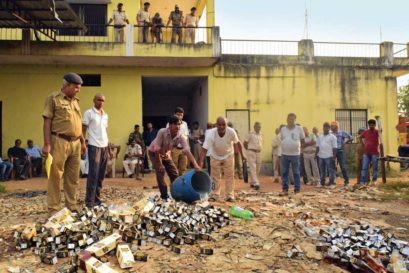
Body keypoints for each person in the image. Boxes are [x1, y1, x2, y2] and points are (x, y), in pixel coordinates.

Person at [42, 73, 86, 215]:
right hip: (59, 141)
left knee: (73, 177)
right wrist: (47, 143)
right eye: (76, 87)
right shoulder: (53, 99)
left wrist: (83, 142)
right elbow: (47, 122)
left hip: (76, 143)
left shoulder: (76, 101)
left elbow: (78, 124)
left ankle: (71, 206)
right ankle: (53, 208)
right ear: (66, 85)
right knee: (55, 176)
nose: (78, 90)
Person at [148, 115, 201, 200]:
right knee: (160, 171)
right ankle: (164, 195)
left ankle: (176, 191)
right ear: (170, 125)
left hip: (165, 154)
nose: (178, 126)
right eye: (175, 124)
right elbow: (156, 148)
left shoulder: (180, 136)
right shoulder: (162, 132)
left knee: (174, 173)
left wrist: (196, 165)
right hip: (154, 153)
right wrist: (159, 164)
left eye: (179, 124)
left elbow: (187, 151)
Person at [199, 117, 246, 202]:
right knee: (214, 176)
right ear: (216, 125)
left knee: (229, 175)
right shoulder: (211, 134)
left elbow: (238, 143)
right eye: (219, 125)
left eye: (223, 124)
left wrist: (242, 155)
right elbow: (204, 149)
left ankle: (230, 195)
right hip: (215, 155)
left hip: (228, 155)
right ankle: (214, 194)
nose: (221, 127)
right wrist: (201, 162)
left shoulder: (231, 131)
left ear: (226, 125)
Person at [82, 93, 110, 208]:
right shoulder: (89, 113)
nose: (101, 102)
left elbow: (104, 132)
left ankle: (97, 199)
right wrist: (83, 143)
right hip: (94, 146)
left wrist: (108, 148)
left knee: (101, 175)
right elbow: (82, 129)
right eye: (99, 100)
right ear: (94, 100)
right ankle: (89, 202)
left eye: (103, 100)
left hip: (104, 147)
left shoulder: (105, 115)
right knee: (93, 174)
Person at [280, 113, 305, 196]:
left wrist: (301, 151)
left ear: (295, 119)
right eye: (289, 118)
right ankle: (285, 189)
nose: (290, 120)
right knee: (284, 172)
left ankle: (297, 189)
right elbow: (282, 139)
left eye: (292, 119)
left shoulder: (299, 128)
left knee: (296, 172)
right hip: (284, 154)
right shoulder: (283, 129)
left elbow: (303, 140)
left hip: (295, 154)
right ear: (286, 119)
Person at [330, 121, 352, 187]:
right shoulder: (330, 133)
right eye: (331, 126)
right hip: (332, 152)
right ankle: (332, 181)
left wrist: (345, 143)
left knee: (343, 166)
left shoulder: (341, 132)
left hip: (340, 151)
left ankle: (347, 181)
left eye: (332, 126)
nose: (331, 127)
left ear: (336, 126)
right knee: (331, 167)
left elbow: (351, 137)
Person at [316, 122, 337, 189]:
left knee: (330, 170)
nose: (326, 129)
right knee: (322, 170)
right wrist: (315, 154)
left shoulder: (333, 137)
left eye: (327, 127)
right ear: (323, 128)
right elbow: (317, 146)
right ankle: (322, 183)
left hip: (329, 156)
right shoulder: (320, 136)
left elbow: (335, 147)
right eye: (325, 127)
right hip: (321, 156)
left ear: (329, 128)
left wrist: (334, 156)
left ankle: (332, 183)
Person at [169, 107, 189, 175]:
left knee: (183, 168)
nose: (179, 116)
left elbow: (187, 136)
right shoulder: (170, 124)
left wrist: (188, 148)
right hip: (174, 149)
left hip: (183, 149)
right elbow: (168, 138)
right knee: (173, 167)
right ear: (174, 114)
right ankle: (173, 184)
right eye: (178, 114)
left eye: (181, 115)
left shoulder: (185, 124)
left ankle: (181, 184)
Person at [359, 119, 380, 185]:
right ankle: (363, 181)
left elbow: (381, 133)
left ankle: (374, 180)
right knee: (364, 167)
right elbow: (360, 137)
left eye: (372, 124)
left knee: (375, 167)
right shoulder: (366, 132)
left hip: (375, 152)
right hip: (366, 153)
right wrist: (363, 144)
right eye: (370, 124)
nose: (371, 126)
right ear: (368, 125)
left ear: (375, 125)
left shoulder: (377, 132)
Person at [244, 122, 263, 190]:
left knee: (258, 167)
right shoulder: (250, 134)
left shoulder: (261, 134)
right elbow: (245, 143)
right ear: (254, 127)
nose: (258, 128)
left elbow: (261, 143)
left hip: (259, 152)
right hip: (251, 152)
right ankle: (256, 182)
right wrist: (249, 150)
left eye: (259, 127)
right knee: (253, 167)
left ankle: (252, 182)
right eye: (257, 127)